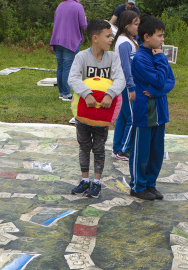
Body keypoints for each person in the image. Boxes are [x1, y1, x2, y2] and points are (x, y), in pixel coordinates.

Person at [68, 19, 126, 199]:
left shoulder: (113, 58)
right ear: (95, 38)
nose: (111, 40)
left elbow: (120, 79)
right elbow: (72, 78)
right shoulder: (81, 57)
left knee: (99, 148)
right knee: (84, 146)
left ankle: (97, 183)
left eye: (111, 36)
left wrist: (110, 94)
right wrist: (86, 93)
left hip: (102, 114)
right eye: (108, 36)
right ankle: (85, 180)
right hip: (84, 113)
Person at [129, 15, 175, 201]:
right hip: (145, 112)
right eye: (159, 36)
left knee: (156, 152)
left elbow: (170, 81)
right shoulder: (140, 59)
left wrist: (156, 92)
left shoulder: (158, 55)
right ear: (146, 37)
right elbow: (159, 79)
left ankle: (150, 184)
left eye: (163, 36)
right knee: (142, 152)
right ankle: (138, 186)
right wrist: (162, 60)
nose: (162, 40)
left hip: (160, 111)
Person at [111, 10, 140, 160]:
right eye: (135, 24)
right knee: (132, 118)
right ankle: (123, 150)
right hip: (126, 86)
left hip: (125, 85)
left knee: (123, 116)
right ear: (126, 25)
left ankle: (117, 147)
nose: (137, 27)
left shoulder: (129, 41)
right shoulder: (124, 43)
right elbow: (125, 67)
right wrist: (131, 87)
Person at [50, 0, 87, 101]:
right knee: (68, 68)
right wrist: (85, 19)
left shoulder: (60, 5)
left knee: (60, 67)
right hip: (70, 41)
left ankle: (61, 92)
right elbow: (83, 25)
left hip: (57, 40)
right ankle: (66, 93)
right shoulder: (78, 7)